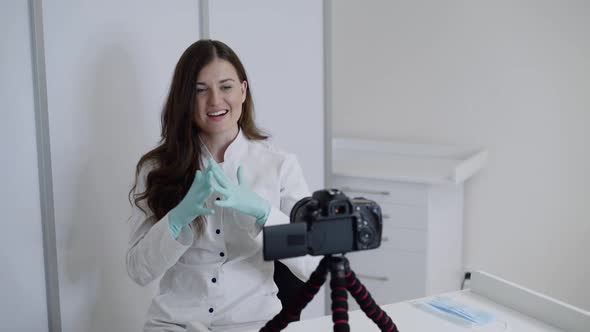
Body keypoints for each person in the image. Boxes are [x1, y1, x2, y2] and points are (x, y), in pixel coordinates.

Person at [127, 40, 316, 332]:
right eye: (200, 90)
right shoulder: (156, 169)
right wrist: (177, 220)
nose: (215, 100)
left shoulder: (279, 165)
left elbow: (312, 264)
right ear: (185, 99)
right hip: (176, 323)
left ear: (243, 90)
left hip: (254, 324)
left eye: (225, 87)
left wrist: (265, 214)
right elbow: (139, 270)